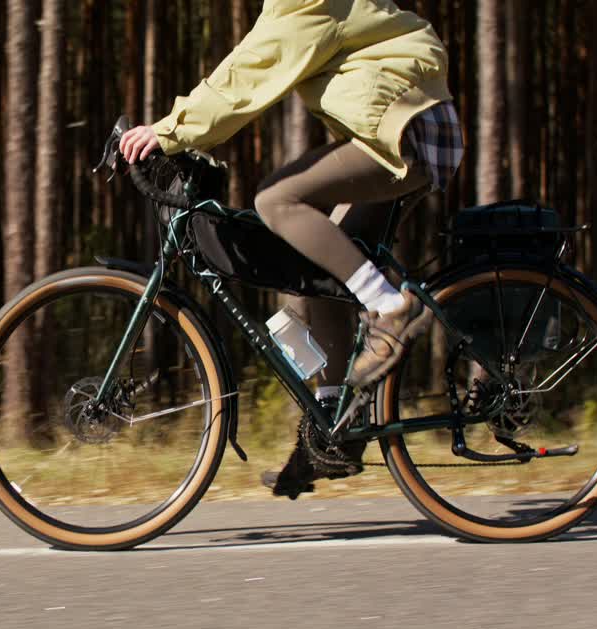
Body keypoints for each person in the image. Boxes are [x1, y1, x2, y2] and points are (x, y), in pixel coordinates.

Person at [119, 0, 465, 498]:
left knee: (275, 199)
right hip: (401, 125)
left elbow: (254, 70)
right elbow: (248, 61)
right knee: (319, 269)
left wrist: (168, 131)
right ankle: (336, 425)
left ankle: (391, 307)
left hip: (404, 126)